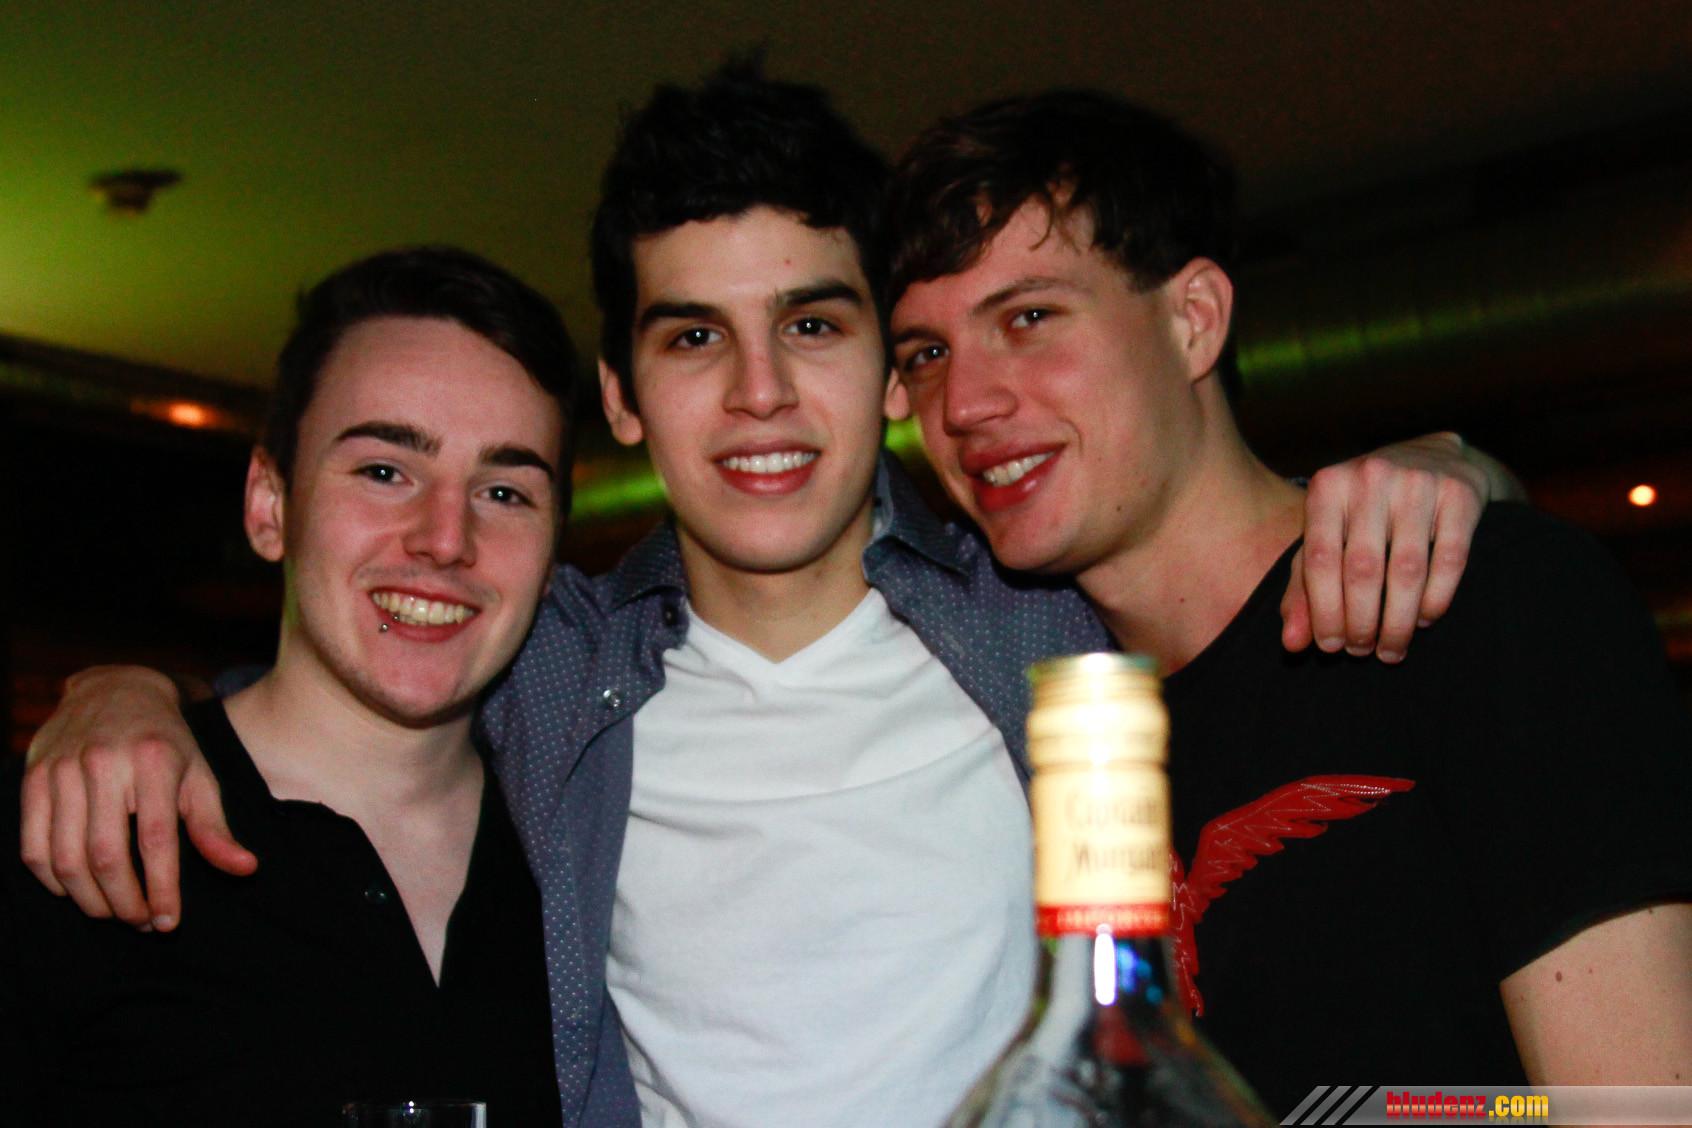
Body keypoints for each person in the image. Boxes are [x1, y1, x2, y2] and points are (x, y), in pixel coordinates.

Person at [21, 66, 1513, 1127]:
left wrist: (1460, 472)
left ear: (891, 367)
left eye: (811, 324)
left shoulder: (1047, 620)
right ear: (621, 396)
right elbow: (353, 672)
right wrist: (126, 702)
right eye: (691, 339)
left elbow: (1230, 553)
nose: (758, 395)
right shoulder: (559, 670)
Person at [883, 89, 1692, 1113]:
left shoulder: (1482, 602)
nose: (965, 403)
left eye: (1029, 318)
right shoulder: (1047, 721)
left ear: (1193, 320)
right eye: (927, 354)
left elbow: (1637, 1106)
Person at [0, 247, 572, 1125]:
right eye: (384, 471)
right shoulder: (70, 835)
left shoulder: (591, 861)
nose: (445, 539)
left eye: (504, 492)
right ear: (270, 505)